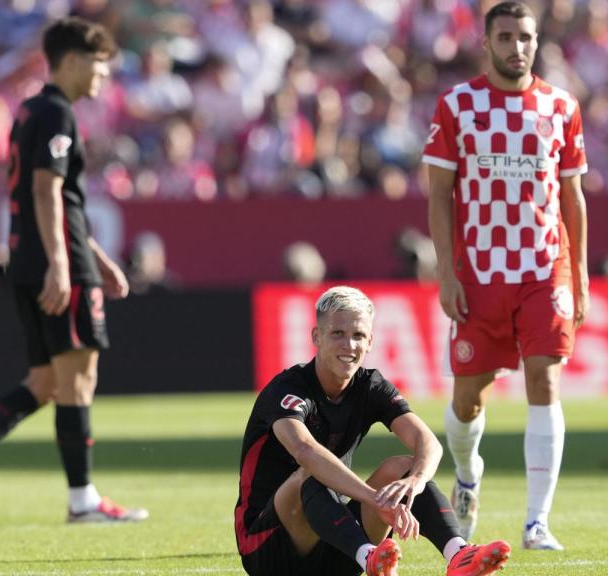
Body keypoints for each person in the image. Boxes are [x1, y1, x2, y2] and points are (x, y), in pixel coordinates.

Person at [0, 17, 147, 526]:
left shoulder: (29, 110)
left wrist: (97, 258)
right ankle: (82, 500)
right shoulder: (56, 113)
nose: (102, 76)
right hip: (53, 260)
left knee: (46, 380)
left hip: (31, 256)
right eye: (97, 64)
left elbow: (56, 198)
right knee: (78, 378)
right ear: (70, 60)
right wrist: (63, 265)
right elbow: (48, 192)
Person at [422, 1, 589, 551]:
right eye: (506, 37)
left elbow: (572, 196)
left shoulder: (561, 106)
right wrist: (447, 273)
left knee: (545, 379)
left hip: (544, 268)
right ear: (486, 43)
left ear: (536, 42)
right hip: (480, 272)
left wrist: (580, 276)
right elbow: (439, 196)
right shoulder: (458, 105)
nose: (517, 47)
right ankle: (468, 476)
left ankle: (536, 521)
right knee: (469, 399)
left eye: (526, 37)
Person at [235, 286, 511, 576]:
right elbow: (305, 451)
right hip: (267, 550)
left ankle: (458, 554)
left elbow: (427, 442)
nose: (349, 345)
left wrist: (415, 481)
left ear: (370, 343)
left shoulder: (370, 386)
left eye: (358, 336)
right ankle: (369, 558)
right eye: (337, 334)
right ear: (317, 337)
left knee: (402, 467)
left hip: (335, 541)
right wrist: (373, 499)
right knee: (309, 473)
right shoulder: (287, 390)